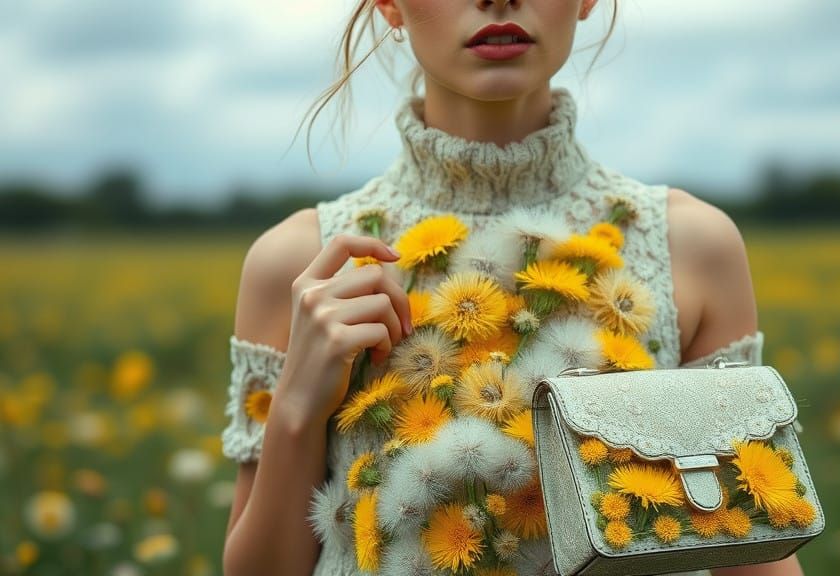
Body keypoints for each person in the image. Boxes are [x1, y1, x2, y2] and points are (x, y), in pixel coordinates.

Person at [220, 1, 805, 575]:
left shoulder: (690, 245)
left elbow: (758, 540)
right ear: (389, 6)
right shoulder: (301, 264)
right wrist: (295, 410)